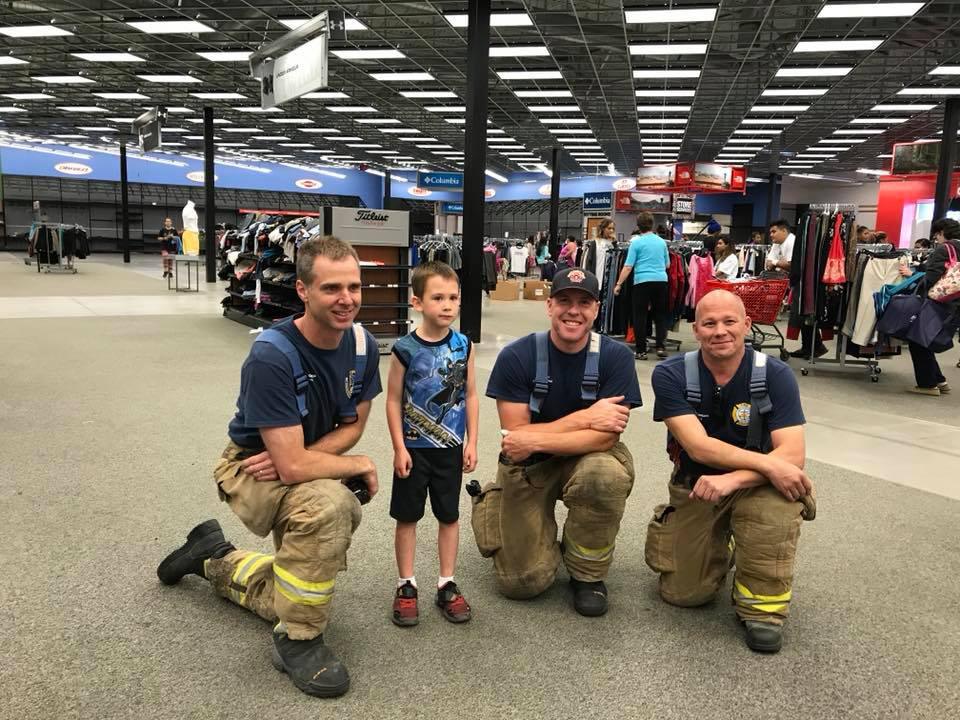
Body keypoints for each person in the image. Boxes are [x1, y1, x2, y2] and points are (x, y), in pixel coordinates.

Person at [156, 236, 382, 699]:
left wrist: (310, 459)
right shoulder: (272, 356)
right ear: (302, 289)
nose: (347, 300)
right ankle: (299, 637)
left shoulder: (362, 345)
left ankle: (212, 555)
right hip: (249, 466)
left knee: (303, 561)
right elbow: (294, 462)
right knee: (331, 507)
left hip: (290, 458)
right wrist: (347, 464)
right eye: (332, 288)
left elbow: (352, 424)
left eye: (355, 287)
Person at [645, 289, 815, 653]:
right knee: (684, 594)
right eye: (709, 323)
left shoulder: (776, 375)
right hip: (697, 486)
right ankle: (728, 541)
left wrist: (737, 478)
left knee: (774, 510)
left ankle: (761, 609)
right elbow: (698, 447)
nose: (719, 331)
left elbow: (794, 453)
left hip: (759, 487)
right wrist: (770, 464)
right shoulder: (671, 374)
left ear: (747, 325)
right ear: (696, 330)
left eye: (729, 321)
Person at [476, 267, 641, 616]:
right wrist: (585, 418)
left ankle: (587, 573)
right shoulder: (516, 356)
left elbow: (607, 435)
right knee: (522, 583)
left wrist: (538, 438)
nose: (573, 311)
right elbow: (515, 439)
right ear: (549, 306)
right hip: (530, 466)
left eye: (584, 302)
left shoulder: (617, 358)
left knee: (603, 475)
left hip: (587, 457)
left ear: (596, 310)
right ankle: (500, 506)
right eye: (564, 300)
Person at [386, 261, 478, 627]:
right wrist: (398, 447)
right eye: (437, 297)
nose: (447, 305)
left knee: (449, 516)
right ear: (417, 302)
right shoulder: (404, 349)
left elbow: (470, 394)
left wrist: (473, 442)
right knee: (407, 517)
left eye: (453, 297)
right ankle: (406, 584)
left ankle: (446, 582)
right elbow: (393, 400)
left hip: (451, 449)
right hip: (414, 448)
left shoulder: (464, 346)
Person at [902, 218, 960, 396]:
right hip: (956, 304)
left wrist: (912, 275)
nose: (936, 238)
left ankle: (927, 384)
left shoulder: (945, 249)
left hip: (941, 303)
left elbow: (931, 278)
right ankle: (939, 380)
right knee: (925, 339)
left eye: (937, 234)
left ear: (942, 232)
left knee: (918, 339)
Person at [613, 211, 671, 360]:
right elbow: (667, 264)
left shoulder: (636, 243)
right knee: (660, 315)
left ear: (638, 226)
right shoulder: (662, 242)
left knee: (640, 316)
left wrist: (618, 284)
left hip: (642, 282)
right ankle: (660, 347)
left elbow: (627, 267)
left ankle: (641, 351)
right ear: (652, 225)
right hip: (661, 281)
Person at [771, 218, 827, 359]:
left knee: (804, 313)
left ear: (784, 230)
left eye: (774, 231)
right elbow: (769, 262)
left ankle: (816, 346)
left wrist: (777, 263)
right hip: (796, 282)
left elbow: (791, 265)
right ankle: (808, 347)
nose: (771, 235)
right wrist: (779, 263)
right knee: (799, 315)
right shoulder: (777, 244)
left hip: (806, 282)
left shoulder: (792, 242)